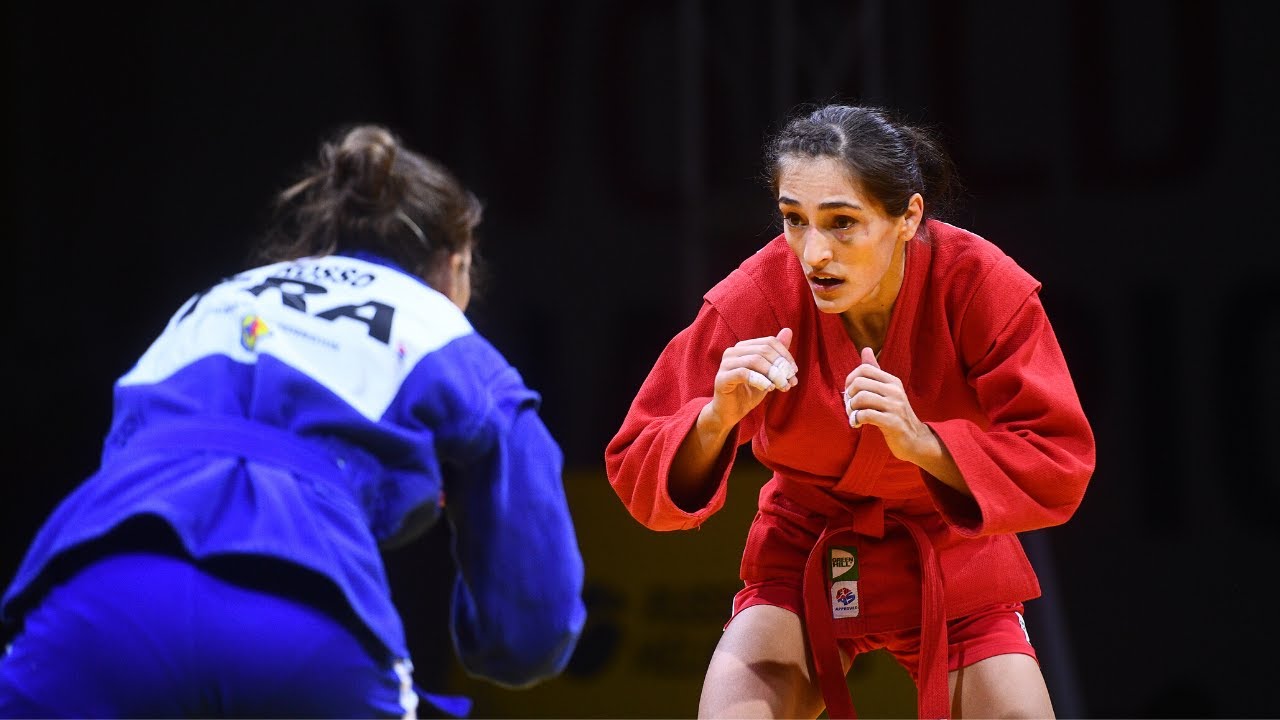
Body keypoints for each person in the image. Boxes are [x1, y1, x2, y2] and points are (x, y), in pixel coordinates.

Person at [0, 125, 586, 718]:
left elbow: (127, 460)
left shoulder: (214, 302)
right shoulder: (439, 330)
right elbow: (530, 625)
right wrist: (503, 640)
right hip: (298, 619)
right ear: (453, 263)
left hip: (105, 595)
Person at [605, 103, 1095, 719]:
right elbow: (636, 462)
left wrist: (924, 444)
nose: (813, 253)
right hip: (808, 546)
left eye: (842, 223)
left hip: (950, 552)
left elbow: (1059, 459)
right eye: (794, 219)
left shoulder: (980, 285)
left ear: (908, 217)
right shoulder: (759, 295)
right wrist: (716, 418)